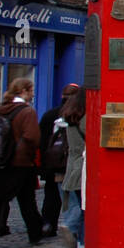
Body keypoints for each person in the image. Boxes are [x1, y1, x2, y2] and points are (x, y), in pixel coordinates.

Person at [0, 78, 44, 248]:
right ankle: (35, 234)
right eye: (31, 90)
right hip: (20, 163)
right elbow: (33, 137)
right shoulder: (27, 112)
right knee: (27, 201)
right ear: (24, 91)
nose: (33, 93)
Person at [37, 84, 77, 237]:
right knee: (71, 196)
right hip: (67, 162)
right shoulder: (76, 114)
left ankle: (48, 224)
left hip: (51, 162)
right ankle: (71, 227)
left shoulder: (49, 115)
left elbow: (40, 141)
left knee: (51, 195)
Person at [57, 84, 85, 248]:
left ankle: (76, 235)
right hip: (83, 166)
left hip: (72, 165)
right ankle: (72, 227)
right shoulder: (84, 119)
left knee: (78, 203)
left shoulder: (69, 117)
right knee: (84, 208)